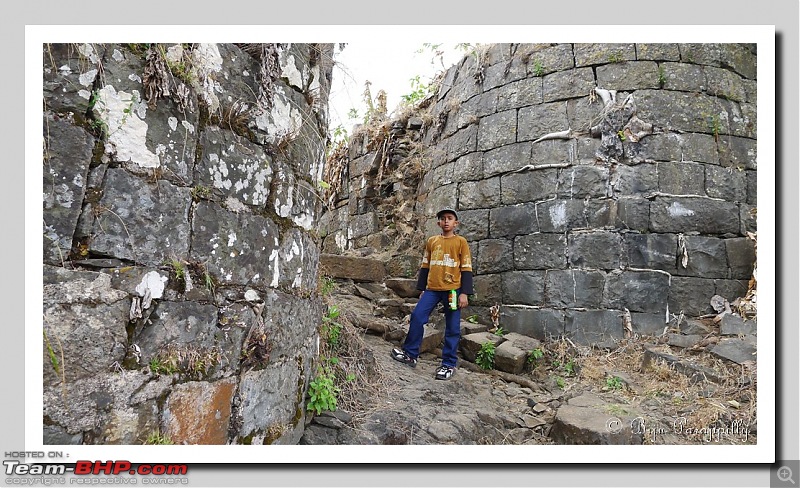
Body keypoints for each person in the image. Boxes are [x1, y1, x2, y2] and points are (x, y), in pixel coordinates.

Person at [391, 207, 474, 380]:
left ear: (455, 223)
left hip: (452, 290)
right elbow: (425, 266)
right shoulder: (432, 241)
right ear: (438, 223)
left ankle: (448, 364)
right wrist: (421, 289)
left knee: (452, 326)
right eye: (443, 218)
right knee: (417, 317)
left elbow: (466, 268)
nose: (446, 221)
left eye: (449, 218)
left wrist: (464, 293)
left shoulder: (461, 242)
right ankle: (410, 354)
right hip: (432, 290)